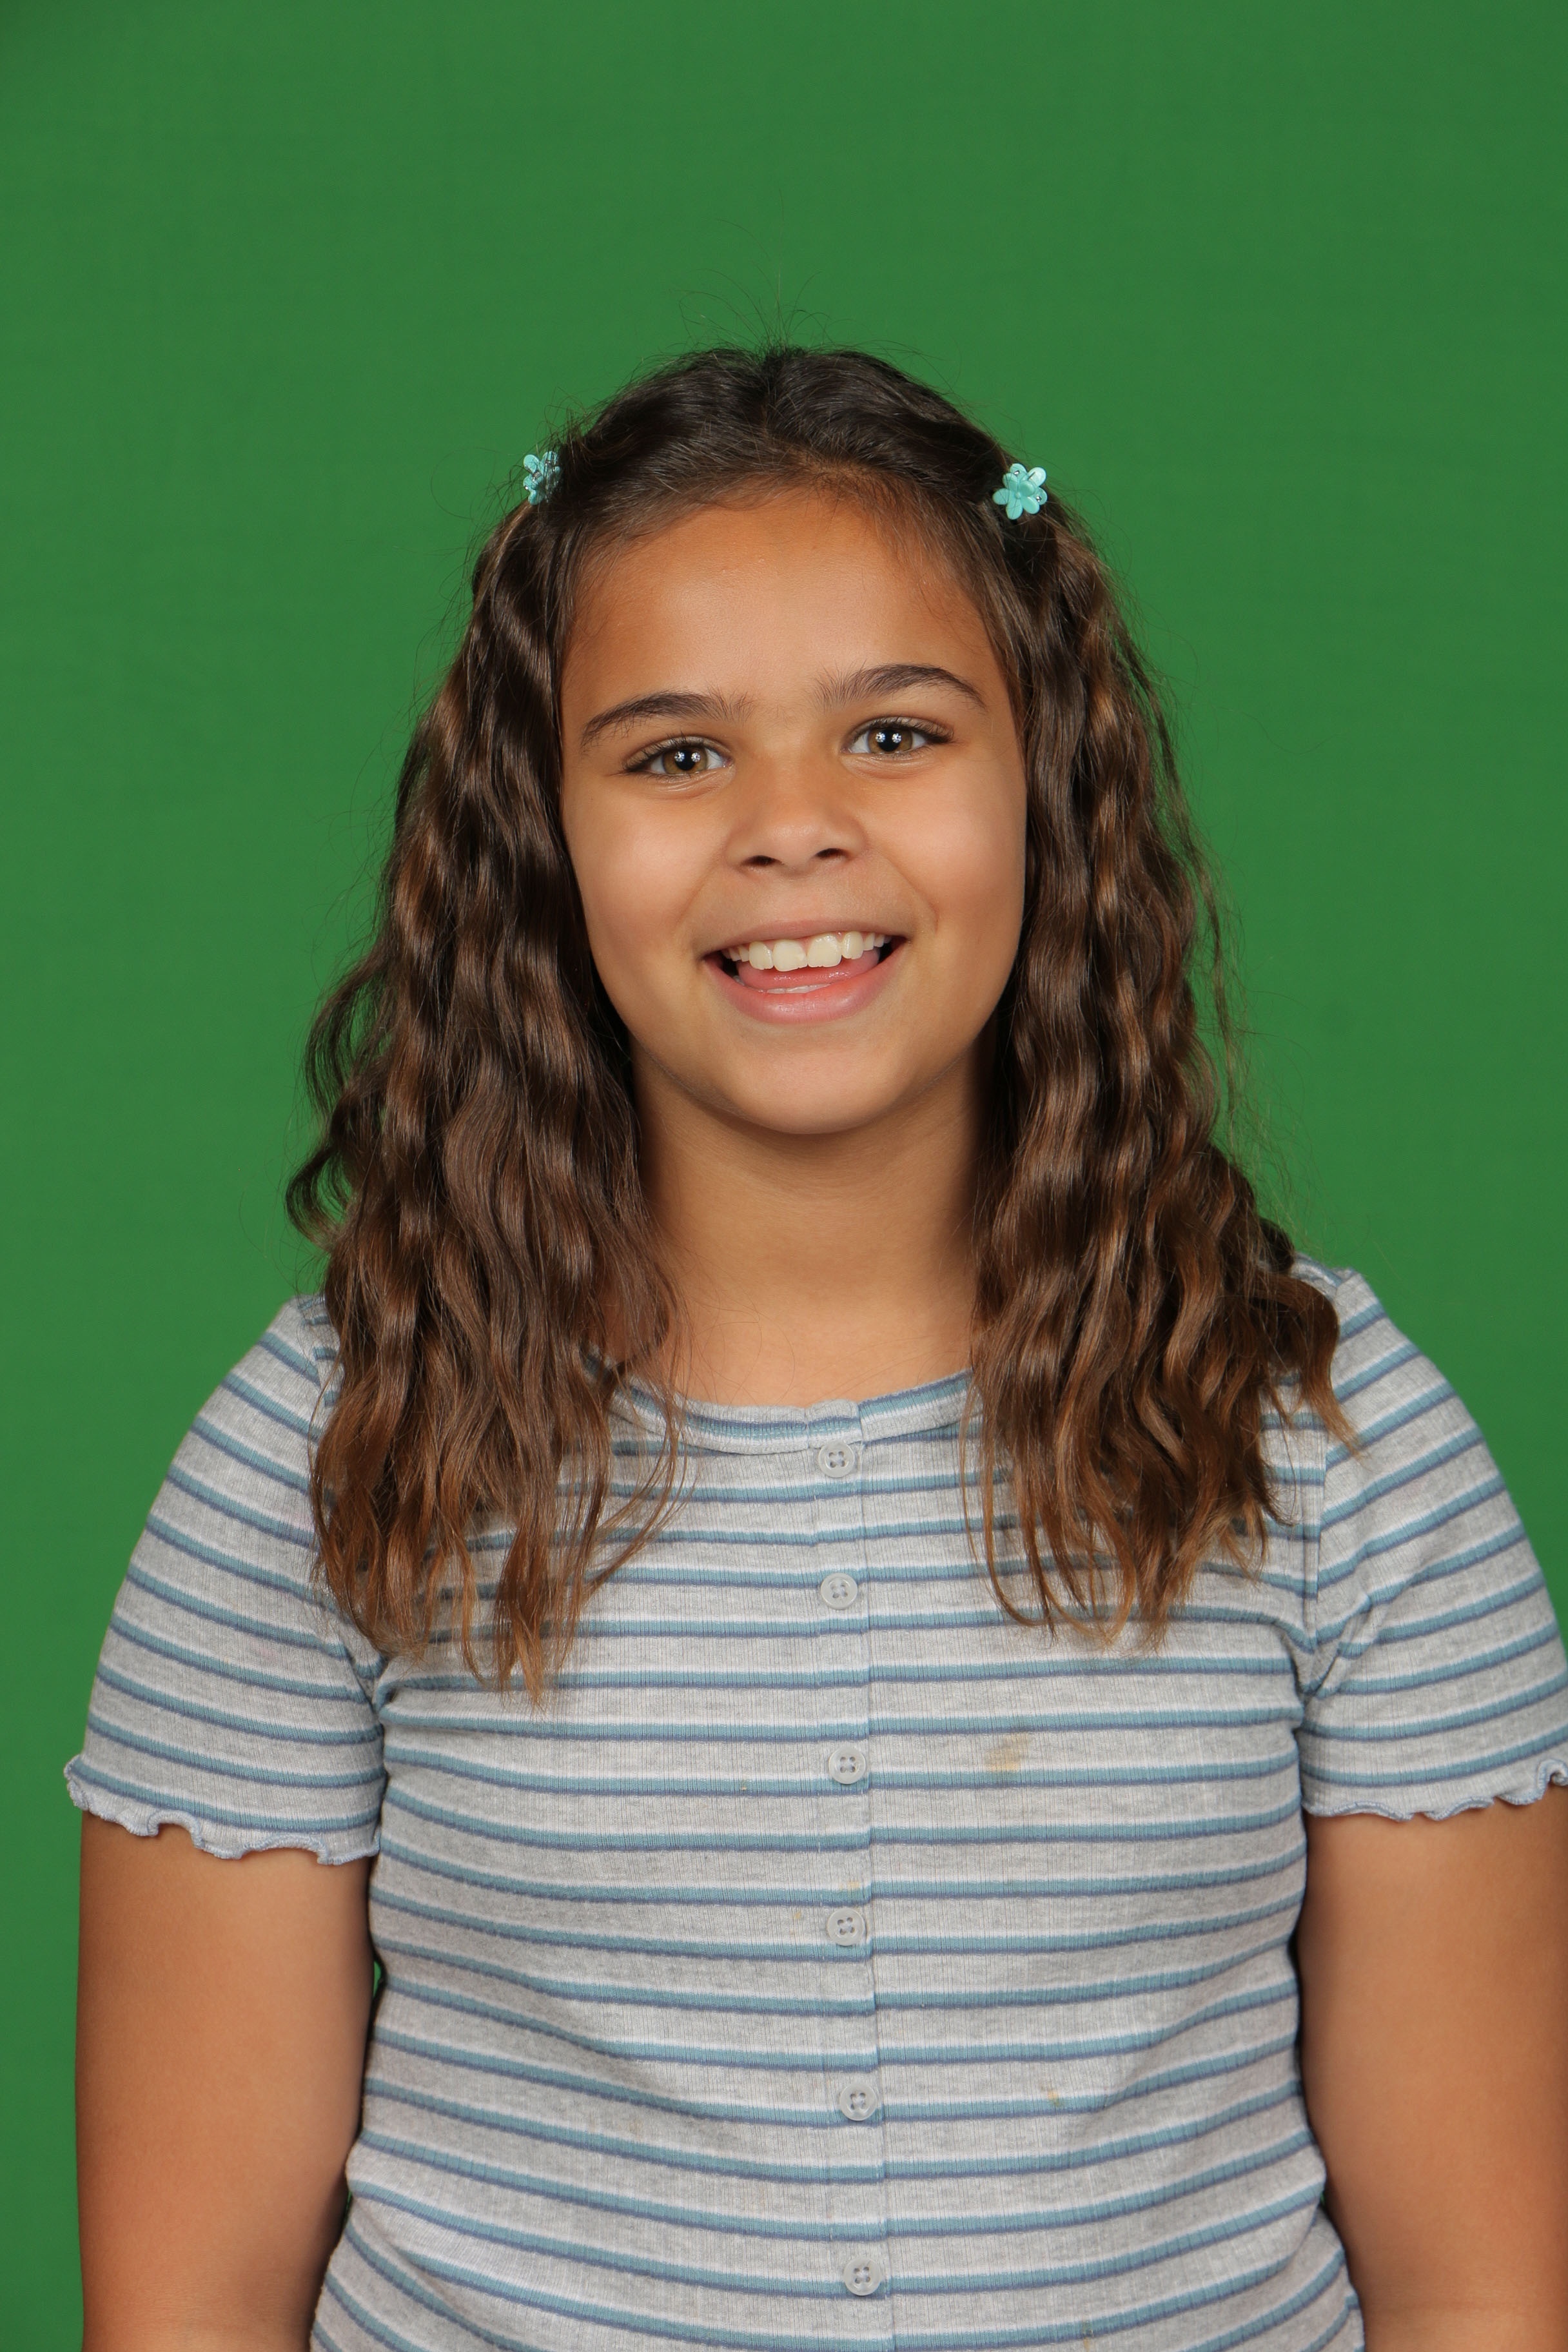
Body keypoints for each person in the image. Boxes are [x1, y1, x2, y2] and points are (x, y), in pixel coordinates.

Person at [70, 346, 1568, 2352]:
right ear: (545, 834)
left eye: (895, 733)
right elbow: (189, 2303)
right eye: (676, 754)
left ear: (1045, 783)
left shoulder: (1326, 1429)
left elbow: (1481, 2289)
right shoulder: (341, 1437)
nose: (793, 828)